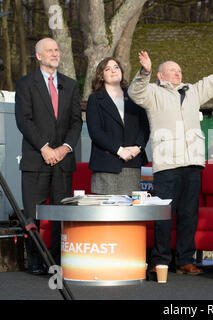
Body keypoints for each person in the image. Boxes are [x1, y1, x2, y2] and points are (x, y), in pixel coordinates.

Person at [128, 46, 213, 275]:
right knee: (164, 216)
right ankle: (160, 261)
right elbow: (135, 92)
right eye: (172, 70)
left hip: (193, 163)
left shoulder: (193, 92)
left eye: (179, 70)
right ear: (160, 76)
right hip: (167, 164)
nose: (177, 73)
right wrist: (144, 71)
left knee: (189, 214)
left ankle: (184, 260)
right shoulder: (152, 92)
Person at [15, 38, 82, 274]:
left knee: (58, 213)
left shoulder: (71, 85)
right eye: (49, 50)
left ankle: (55, 261)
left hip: (63, 162)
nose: (55, 53)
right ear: (39, 56)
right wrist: (44, 148)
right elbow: (24, 120)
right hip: (36, 159)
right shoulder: (25, 84)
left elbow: (76, 122)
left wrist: (64, 148)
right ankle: (35, 259)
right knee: (34, 213)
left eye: (57, 50)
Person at [86, 57, 149, 195]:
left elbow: (145, 127)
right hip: (106, 165)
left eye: (116, 67)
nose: (113, 71)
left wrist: (138, 148)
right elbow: (95, 132)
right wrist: (119, 150)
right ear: (101, 76)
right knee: (106, 214)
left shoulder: (134, 96)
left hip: (132, 164)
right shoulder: (95, 99)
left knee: (130, 213)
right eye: (108, 69)